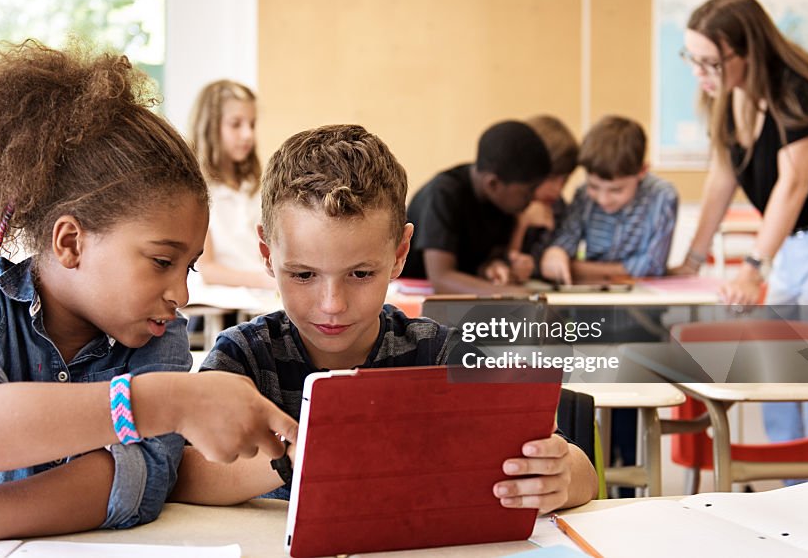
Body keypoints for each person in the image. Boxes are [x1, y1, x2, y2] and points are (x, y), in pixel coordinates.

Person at [0, 41, 296, 543]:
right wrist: (167, 401)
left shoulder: (159, 340)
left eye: (188, 267)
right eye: (162, 262)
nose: (180, 294)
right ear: (71, 242)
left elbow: (127, 484)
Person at [171, 125, 597, 514]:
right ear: (268, 254)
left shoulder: (442, 354)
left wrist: (563, 477)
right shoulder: (242, 357)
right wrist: (295, 457)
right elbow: (182, 473)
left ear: (399, 254)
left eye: (360, 274)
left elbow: (580, 471)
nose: (332, 304)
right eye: (303, 275)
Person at [669, 0, 808, 443]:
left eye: (709, 62)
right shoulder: (729, 95)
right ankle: (789, 485)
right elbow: (722, 176)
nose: (699, 74)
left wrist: (754, 267)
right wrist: (692, 259)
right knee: (776, 368)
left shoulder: (797, 84)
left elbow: (794, 183)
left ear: (747, 52)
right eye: (691, 59)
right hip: (794, 244)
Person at [401, 120, 551, 293]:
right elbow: (441, 278)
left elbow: (480, 264)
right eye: (528, 192)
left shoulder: (503, 203)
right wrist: (509, 294)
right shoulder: (444, 194)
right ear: (493, 184)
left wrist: (495, 268)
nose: (534, 199)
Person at [540, 115, 678, 284]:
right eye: (594, 187)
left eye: (616, 190)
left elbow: (652, 267)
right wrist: (556, 253)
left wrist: (577, 267)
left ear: (642, 171)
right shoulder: (583, 196)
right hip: (595, 296)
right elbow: (565, 239)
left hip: (644, 300)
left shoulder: (662, 197)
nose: (603, 199)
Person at [188, 79, 273, 290]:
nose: (248, 135)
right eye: (236, 124)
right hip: (220, 311)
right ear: (210, 127)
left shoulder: (253, 187)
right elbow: (206, 269)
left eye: (251, 125)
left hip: (260, 302)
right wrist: (267, 281)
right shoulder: (196, 190)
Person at [494, 114, 579, 283]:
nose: (557, 189)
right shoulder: (500, 199)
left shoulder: (556, 206)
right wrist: (521, 225)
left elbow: (540, 267)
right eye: (551, 178)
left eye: (564, 180)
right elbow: (496, 268)